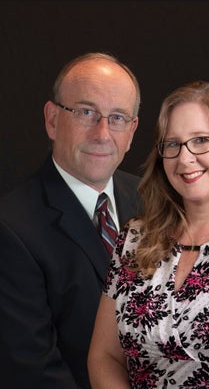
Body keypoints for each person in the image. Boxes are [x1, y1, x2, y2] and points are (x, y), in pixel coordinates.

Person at [87, 80, 209, 388]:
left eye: (201, 140)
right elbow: (104, 357)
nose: (184, 158)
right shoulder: (133, 239)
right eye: (173, 144)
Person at [0, 52, 142, 389]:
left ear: (133, 130)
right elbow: (32, 372)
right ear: (52, 120)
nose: (103, 132)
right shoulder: (11, 229)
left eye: (118, 117)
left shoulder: (151, 199)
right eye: (86, 112)